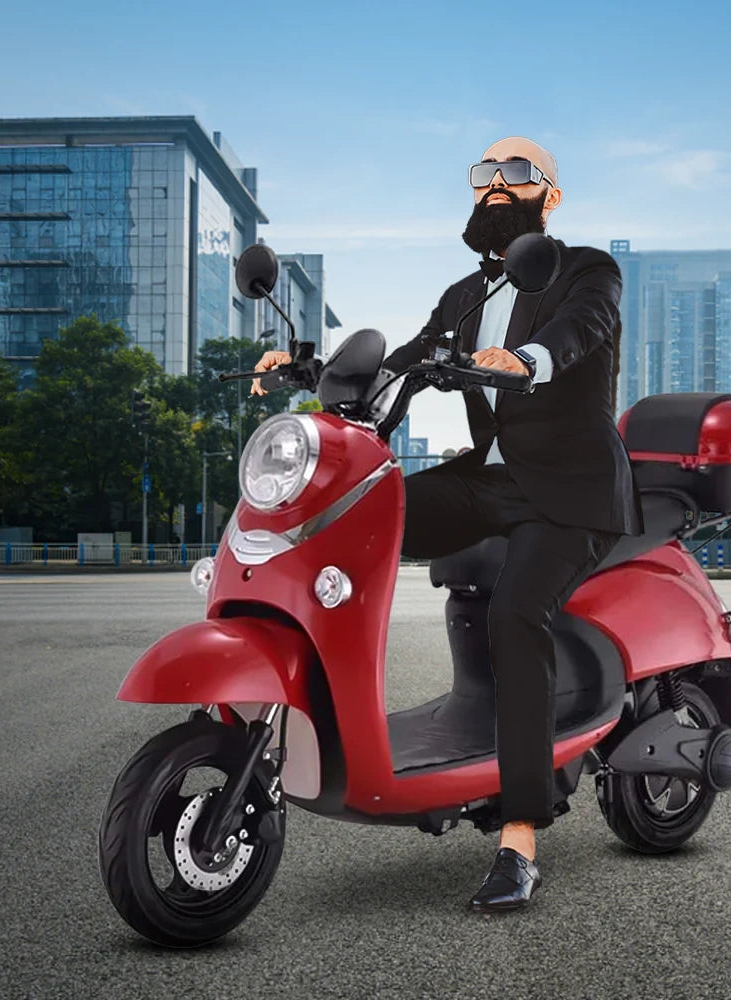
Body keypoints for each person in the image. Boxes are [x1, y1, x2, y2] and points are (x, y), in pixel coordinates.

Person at [252, 136, 643, 913]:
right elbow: (398, 366)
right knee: (355, 521)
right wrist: (308, 374)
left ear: (550, 197)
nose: (499, 182)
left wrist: (527, 357)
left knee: (516, 613)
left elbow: (583, 329)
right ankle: (323, 731)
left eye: (520, 172)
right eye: (486, 172)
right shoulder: (465, 294)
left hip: (571, 493)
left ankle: (521, 837)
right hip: (495, 482)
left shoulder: (586, 269)